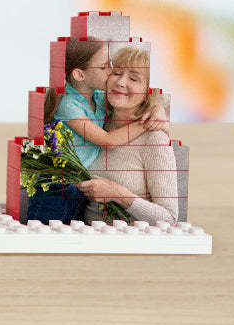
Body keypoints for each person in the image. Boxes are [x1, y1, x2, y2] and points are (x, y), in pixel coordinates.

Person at [27, 39, 166, 223]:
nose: (111, 72)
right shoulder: (68, 105)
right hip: (57, 187)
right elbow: (107, 140)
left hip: (79, 188)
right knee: (47, 234)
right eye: (104, 68)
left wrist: (158, 110)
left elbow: (139, 100)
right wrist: (145, 122)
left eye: (110, 65)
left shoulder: (99, 98)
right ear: (79, 75)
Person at [77, 46, 179, 224]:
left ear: (149, 91)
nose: (121, 82)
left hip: (129, 244)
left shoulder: (154, 139)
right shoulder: (97, 124)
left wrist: (117, 193)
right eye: (116, 73)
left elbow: (169, 218)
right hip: (87, 239)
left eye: (133, 78)